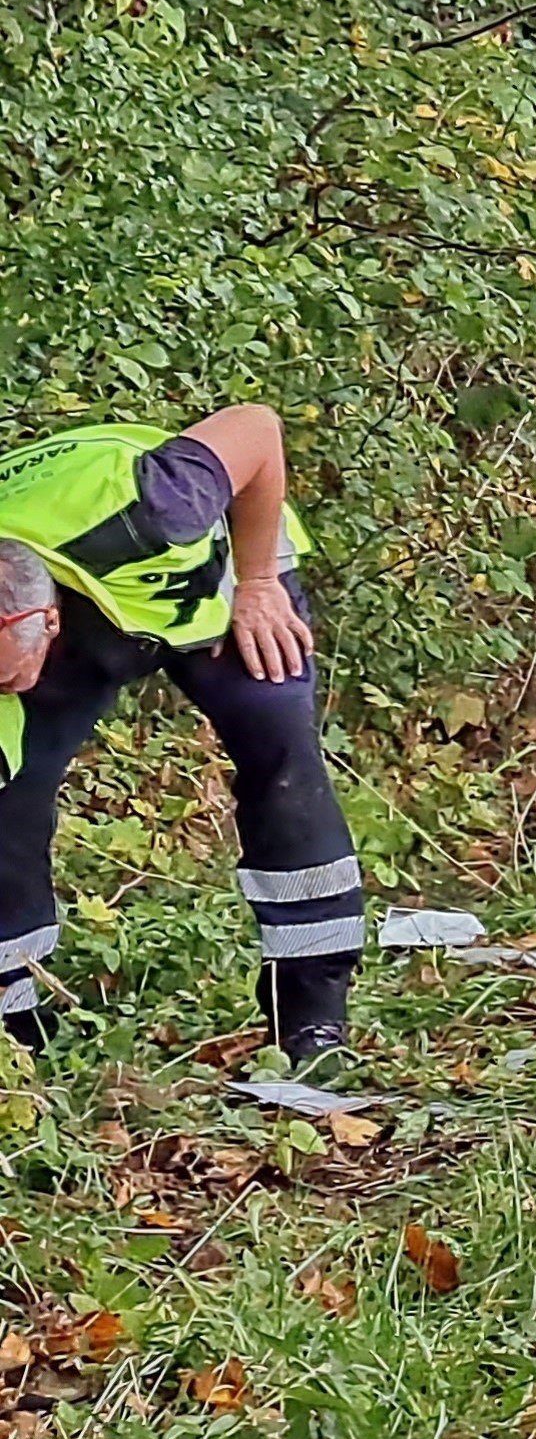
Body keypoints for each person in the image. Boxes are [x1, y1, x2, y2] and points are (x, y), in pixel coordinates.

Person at [0, 408, 367, 1058]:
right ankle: (14, 1028)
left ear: (48, 624)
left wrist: (257, 583)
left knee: (276, 745)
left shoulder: (158, 497)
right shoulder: (24, 636)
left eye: (7, 675)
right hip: (67, 590)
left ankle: (312, 1011)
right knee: (10, 799)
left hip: (220, 581)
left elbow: (256, 427)